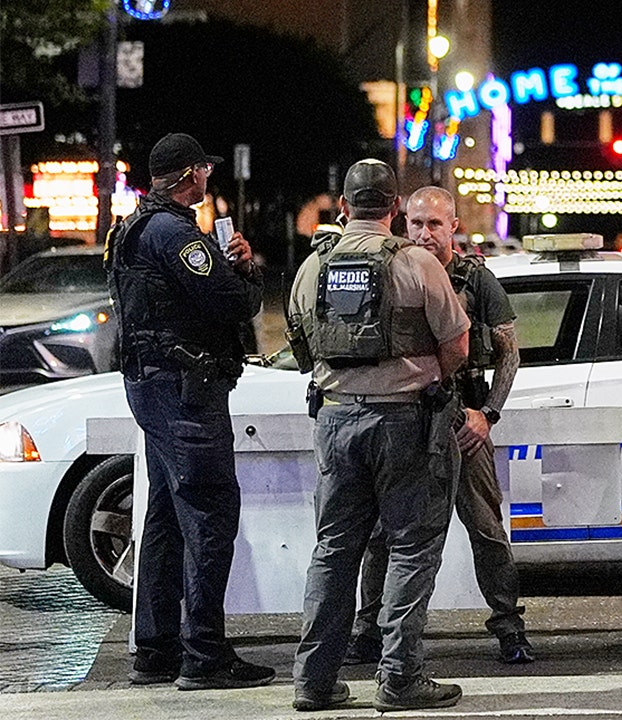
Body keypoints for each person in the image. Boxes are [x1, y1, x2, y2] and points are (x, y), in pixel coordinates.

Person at [287, 159, 470, 712]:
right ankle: (400, 678)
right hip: (404, 424)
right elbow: (457, 346)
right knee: (412, 549)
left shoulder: (311, 267)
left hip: (336, 421)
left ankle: (313, 682)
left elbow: (301, 344)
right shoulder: (417, 263)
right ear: (394, 209)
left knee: (334, 551)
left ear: (343, 208)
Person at [104, 132, 274, 690]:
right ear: (189, 176)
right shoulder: (178, 233)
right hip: (186, 391)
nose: (208, 178)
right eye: (203, 169)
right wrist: (247, 271)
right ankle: (204, 654)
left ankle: (155, 649)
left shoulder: (129, 228)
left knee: (165, 515)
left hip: (153, 386)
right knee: (209, 514)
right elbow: (232, 303)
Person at [345, 186, 533, 666]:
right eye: (416, 223)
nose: (425, 234)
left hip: (464, 423)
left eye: (434, 224)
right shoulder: (393, 270)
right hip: (407, 421)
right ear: (402, 223)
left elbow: (509, 353)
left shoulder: (476, 279)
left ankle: (509, 627)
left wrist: (487, 414)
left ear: (453, 226)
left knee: (487, 531)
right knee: (385, 535)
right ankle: (370, 631)